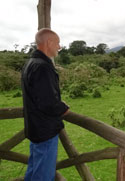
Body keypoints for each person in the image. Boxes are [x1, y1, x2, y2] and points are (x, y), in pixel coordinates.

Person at [21, 28, 69, 180]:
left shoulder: (30, 63)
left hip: (35, 128)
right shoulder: (42, 66)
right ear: (49, 42)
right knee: (43, 175)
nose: (59, 47)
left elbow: (38, 96)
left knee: (34, 169)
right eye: (58, 43)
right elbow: (48, 103)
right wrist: (64, 108)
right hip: (44, 130)